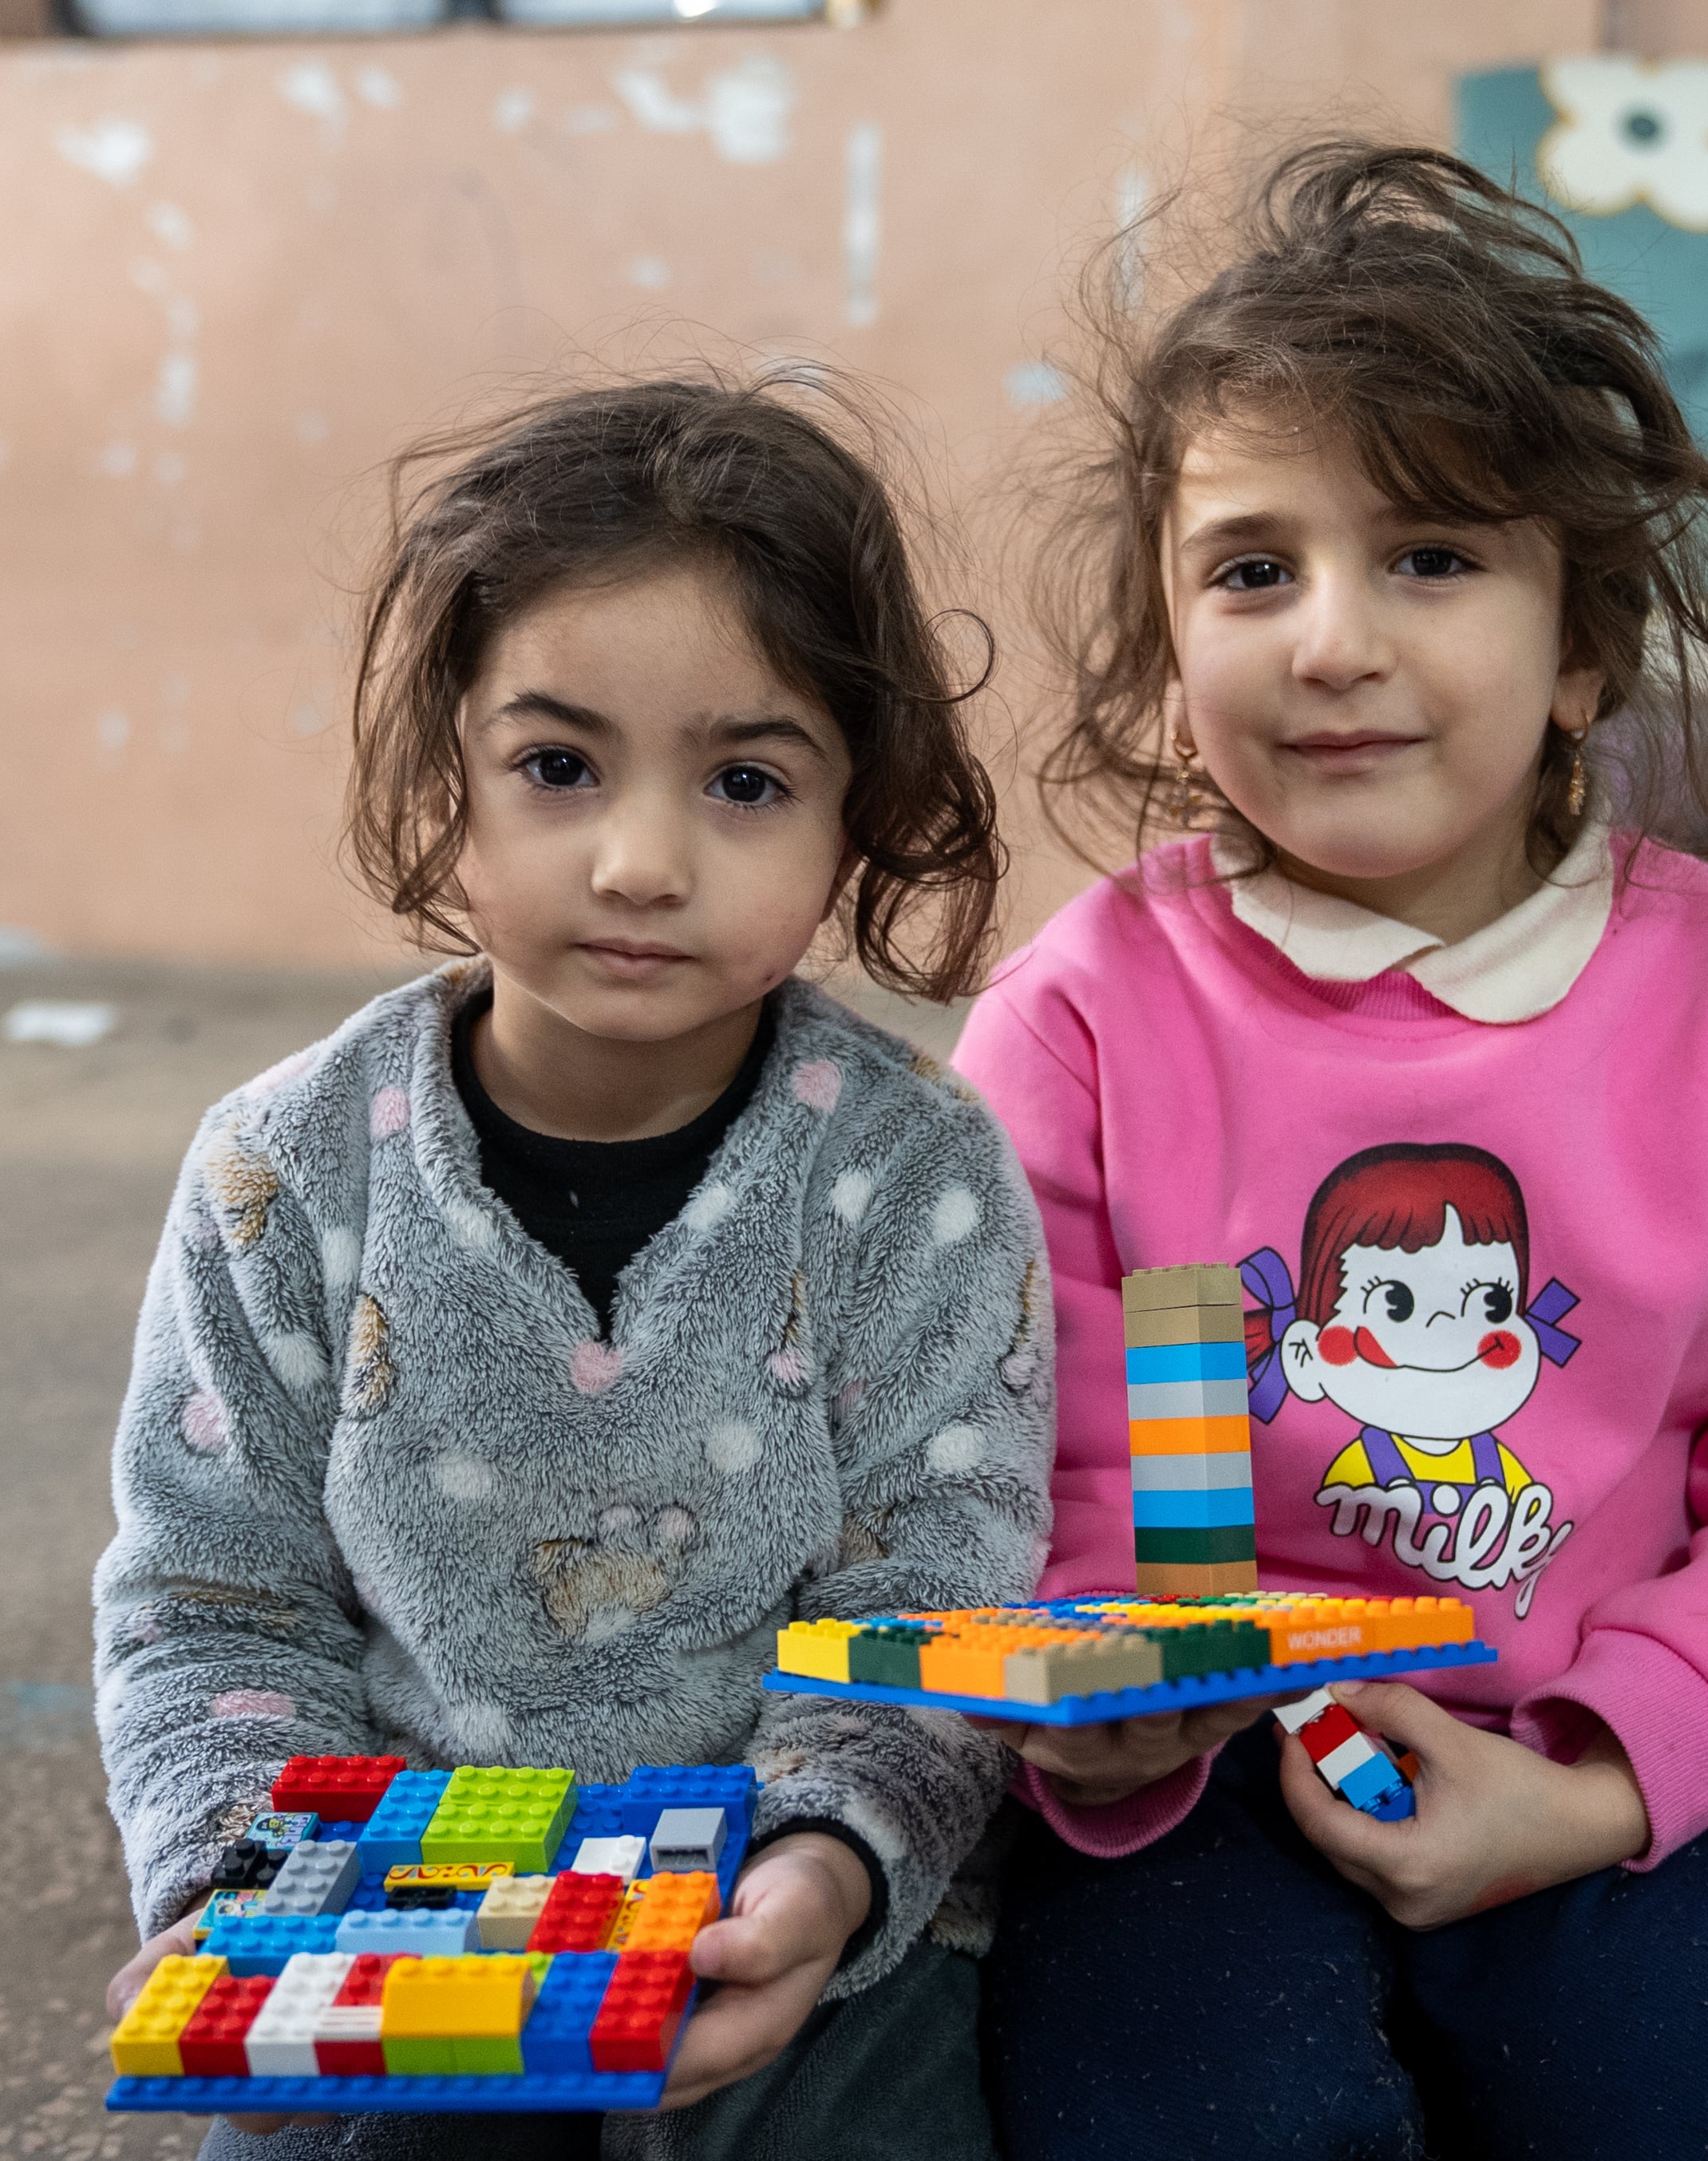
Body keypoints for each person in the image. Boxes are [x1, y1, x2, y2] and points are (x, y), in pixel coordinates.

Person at [950, 142, 1708, 2159]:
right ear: (1172, 676)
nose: (1330, 641)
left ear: (1582, 654)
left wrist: (1622, 1778)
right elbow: (1000, 1453)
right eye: (1250, 570)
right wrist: (1103, 1718)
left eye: (1430, 557)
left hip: (1580, 1752)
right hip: (1198, 1788)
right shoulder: (1076, 1020)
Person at [91, 373, 1050, 2161]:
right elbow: (212, 1598)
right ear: (438, 772)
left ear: (859, 815)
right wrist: (245, 1883)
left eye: (745, 779)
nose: (636, 859)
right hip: (391, 1905)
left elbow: (939, 1585)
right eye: (556, 765)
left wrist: (825, 1871)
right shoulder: (280, 1174)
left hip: (789, 1912)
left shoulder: (917, 1173)